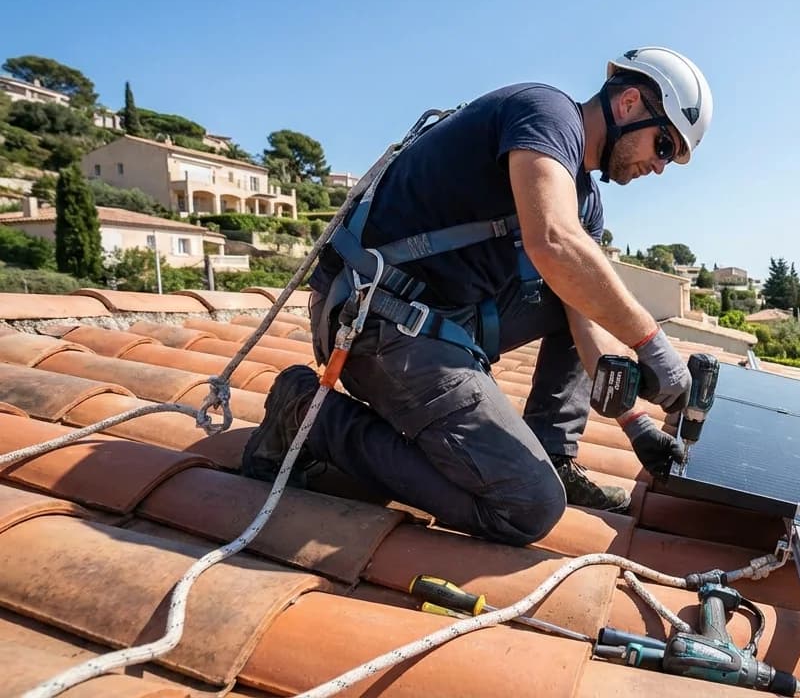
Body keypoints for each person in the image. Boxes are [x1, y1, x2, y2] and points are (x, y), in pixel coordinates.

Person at [240, 46, 714, 546]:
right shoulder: (546, 113)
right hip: (375, 316)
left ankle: (553, 451)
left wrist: (635, 424)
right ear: (629, 103)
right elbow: (553, 241)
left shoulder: (587, 202)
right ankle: (308, 415)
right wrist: (652, 345)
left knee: (578, 293)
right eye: (664, 145)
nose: (659, 166)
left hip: (440, 316)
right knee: (527, 506)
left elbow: (583, 316)